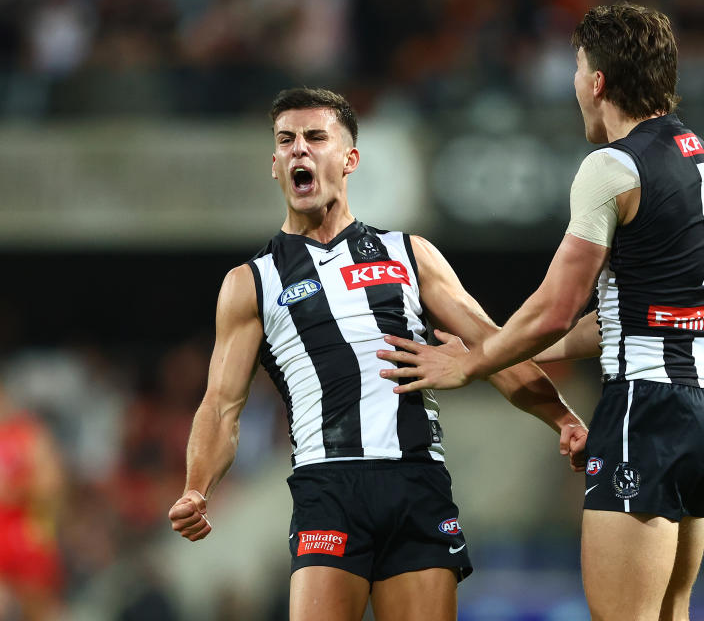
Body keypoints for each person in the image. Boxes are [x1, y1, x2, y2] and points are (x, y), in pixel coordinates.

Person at [167, 87, 583, 621]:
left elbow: (492, 345)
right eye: (286, 141)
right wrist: (197, 489)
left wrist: (563, 418)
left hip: (416, 480)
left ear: (350, 158)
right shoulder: (251, 283)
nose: (299, 150)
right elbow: (221, 405)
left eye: (316, 137)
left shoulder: (410, 255)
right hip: (328, 485)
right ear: (274, 164)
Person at [378, 3, 704, 621]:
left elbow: (555, 306)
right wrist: (497, 350)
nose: (574, 82)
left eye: (577, 68)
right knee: (671, 613)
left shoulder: (611, 167)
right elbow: (614, 320)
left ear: (598, 82)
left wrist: (474, 365)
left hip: (645, 413)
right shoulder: (699, 157)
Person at [0, 365, 65, 621]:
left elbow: (53, 483)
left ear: (4, 396)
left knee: (38, 610)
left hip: (26, 529)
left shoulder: (28, 433)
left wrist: (13, 490)